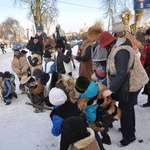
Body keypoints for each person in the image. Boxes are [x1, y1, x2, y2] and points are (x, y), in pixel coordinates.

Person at [99, 31, 149, 147]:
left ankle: (129, 136)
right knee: (128, 107)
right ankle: (130, 130)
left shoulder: (120, 52)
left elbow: (122, 74)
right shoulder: (116, 48)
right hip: (129, 82)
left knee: (125, 109)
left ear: (107, 44)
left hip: (133, 83)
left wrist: (111, 90)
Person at [140, 28, 150, 107]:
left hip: (148, 68)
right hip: (146, 67)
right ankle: (149, 101)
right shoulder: (147, 45)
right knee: (148, 85)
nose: (148, 37)